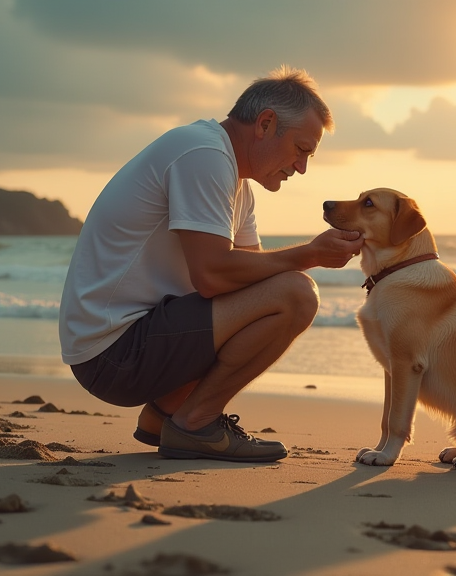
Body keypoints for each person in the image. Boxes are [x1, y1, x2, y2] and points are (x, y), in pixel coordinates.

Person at [58, 66, 363, 463]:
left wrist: (318, 253)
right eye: (302, 149)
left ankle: (165, 416)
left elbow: (253, 285)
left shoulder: (237, 182)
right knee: (297, 294)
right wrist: (311, 254)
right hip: (113, 353)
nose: (302, 167)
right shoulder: (203, 154)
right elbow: (213, 275)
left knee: (285, 289)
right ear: (266, 124)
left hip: (130, 342)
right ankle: (195, 422)